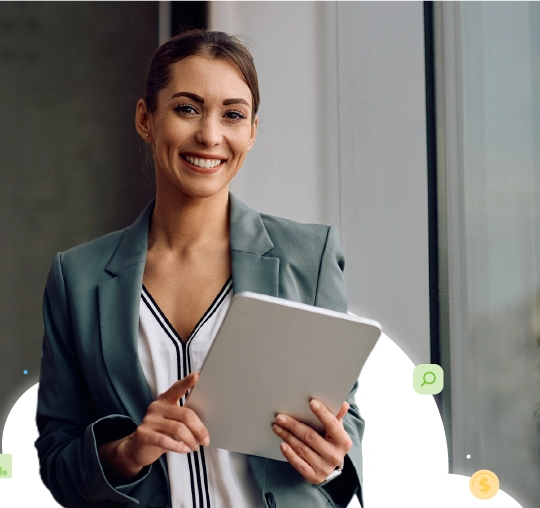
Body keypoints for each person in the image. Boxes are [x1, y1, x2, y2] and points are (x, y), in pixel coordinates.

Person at [35, 30, 364, 508]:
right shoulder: (78, 279)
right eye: (187, 108)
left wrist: (333, 462)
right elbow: (58, 460)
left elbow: (345, 418)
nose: (210, 135)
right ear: (146, 118)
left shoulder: (308, 257)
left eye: (233, 115)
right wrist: (128, 452)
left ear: (252, 131)